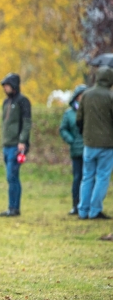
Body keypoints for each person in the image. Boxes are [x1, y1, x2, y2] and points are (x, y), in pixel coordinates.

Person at [76, 66, 113, 220]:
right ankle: (95, 210)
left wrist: (85, 134)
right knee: (102, 177)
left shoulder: (86, 95)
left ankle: (83, 211)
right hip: (107, 144)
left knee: (87, 176)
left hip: (89, 143)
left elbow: (79, 119)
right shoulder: (110, 97)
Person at [0, 73, 31, 217]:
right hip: (7, 145)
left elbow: (26, 122)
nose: (5, 88)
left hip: (16, 146)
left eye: (7, 85)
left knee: (12, 176)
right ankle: (13, 207)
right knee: (12, 177)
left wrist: (22, 141)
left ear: (14, 86)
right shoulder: (6, 103)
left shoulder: (23, 101)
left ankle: (13, 207)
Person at [60, 85, 86, 215]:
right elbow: (63, 129)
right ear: (77, 97)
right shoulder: (69, 114)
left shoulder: (90, 111)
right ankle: (75, 204)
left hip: (89, 148)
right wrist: (71, 140)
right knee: (77, 178)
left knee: (88, 178)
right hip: (76, 151)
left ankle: (86, 204)